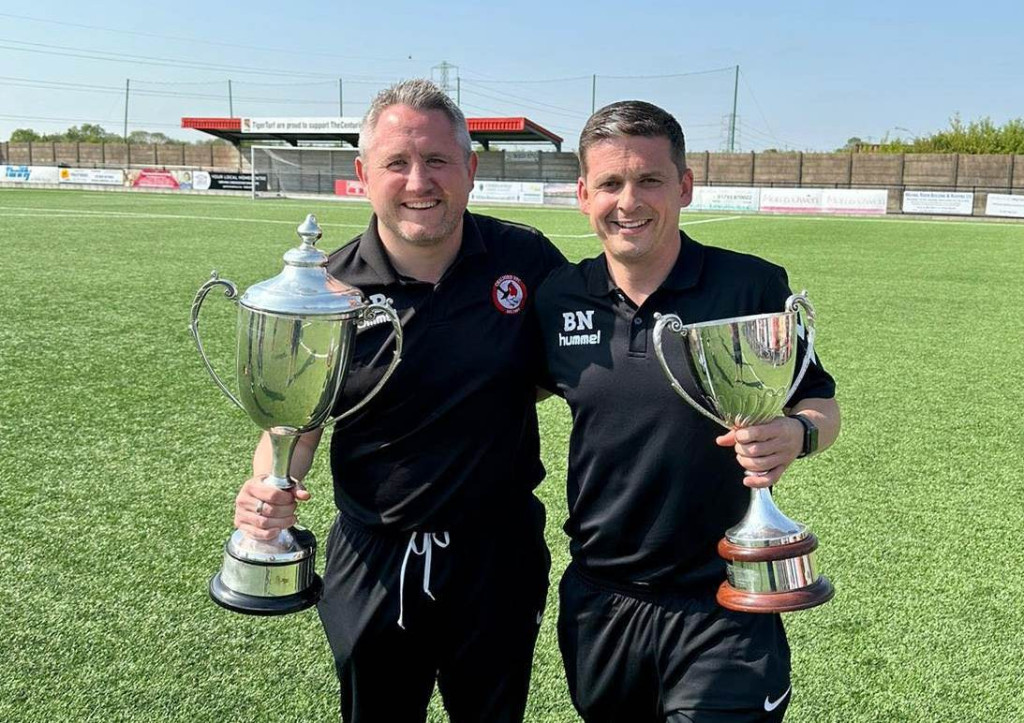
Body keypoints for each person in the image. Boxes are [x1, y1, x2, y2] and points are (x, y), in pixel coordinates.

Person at [232, 79, 565, 722]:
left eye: (438, 160)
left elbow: (573, 367)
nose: (419, 181)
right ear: (364, 175)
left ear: (470, 170)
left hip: (499, 554)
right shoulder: (328, 290)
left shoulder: (525, 258)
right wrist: (264, 489)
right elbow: (297, 423)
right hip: (374, 560)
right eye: (397, 163)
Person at [535, 101, 841, 722]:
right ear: (583, 194)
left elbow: (820, 401)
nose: (629, 201)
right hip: (600, 600)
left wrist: (798, 434)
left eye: (649, 179)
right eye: (610, 183)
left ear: (685, 186)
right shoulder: (558, 297)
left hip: (724, 600)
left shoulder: (751, 286)